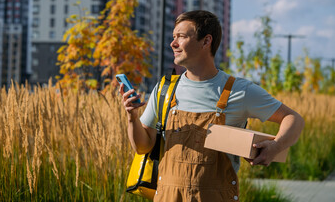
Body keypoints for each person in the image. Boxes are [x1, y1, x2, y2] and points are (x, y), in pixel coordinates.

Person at [119, 10, 304, 201]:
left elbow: (294, 119)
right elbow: (142, 147)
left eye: (181, 37)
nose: (173, 44)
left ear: (206, 41)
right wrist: (132, 116)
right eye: (173, 37)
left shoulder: (239, 90)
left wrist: (276, 146)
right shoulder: (165, 89)